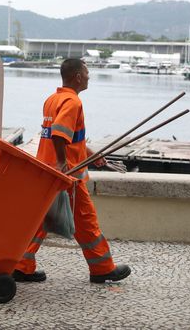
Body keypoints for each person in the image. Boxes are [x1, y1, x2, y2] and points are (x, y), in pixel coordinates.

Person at [13, 58, 131, 284]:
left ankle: (21, 266)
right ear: (77, 76)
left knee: (40, 221)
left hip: (47, 173)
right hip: (68, 179)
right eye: (86, 73)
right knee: (86, 222)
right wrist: (62, 163)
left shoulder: (52, 99)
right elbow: (59, 133)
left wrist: (92, 156)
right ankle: (102, 269)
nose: (89, 77)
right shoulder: (73, 102)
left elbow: (68, 138)